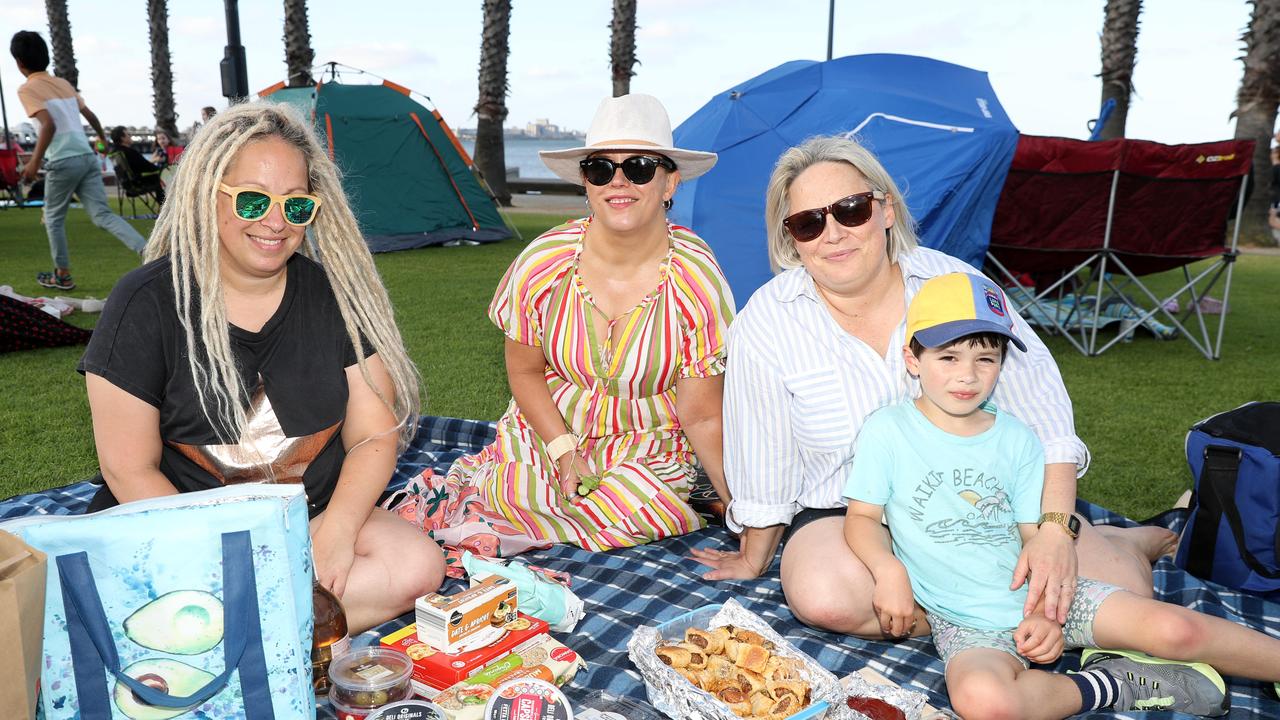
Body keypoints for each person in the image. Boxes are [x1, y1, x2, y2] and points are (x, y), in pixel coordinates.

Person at [694, 135, 1175, 639]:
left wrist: (1055, 528)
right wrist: (753, 557)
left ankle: (1126, 544)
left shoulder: (956, 285)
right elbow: (765, 455)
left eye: (851, 210)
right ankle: (991, 621)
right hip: (851, 513)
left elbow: (1045, 416)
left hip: (980, 496)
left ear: (886, 210)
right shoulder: (767, 321)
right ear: (792, 238)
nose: (832, 234)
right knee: (825, 598)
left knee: (1123, 585)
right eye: (809, 222)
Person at [842, 272, 1280, 719]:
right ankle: (1111, 683)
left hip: (1047, 594)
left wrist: (1047, 613)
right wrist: (888, 569)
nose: (968, 375)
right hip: (966, 624)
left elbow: (1037, 536)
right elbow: (861, 518)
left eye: (986, 358)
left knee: (1176, 630)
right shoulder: (888, 431)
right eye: (948, 357)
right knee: (985, 702)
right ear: (912, 359)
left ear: (1002, 362)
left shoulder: (1017, 439)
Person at [78, 102, 444, 632]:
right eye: (253, 200)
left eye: (296, 206)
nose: (276, 222)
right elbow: (128, 469)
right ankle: (283, 625)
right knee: (129, 586)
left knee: (416, 567)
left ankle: (227, 633)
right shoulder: (146, 302)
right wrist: (225, 560)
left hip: (307, 519)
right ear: (208, 196)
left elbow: (373, 436)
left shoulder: (336, 297)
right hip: (181, 523)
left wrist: (337, 530)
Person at [407, 93, 733, 556]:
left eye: (639, 166)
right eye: (601, 168)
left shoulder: (695, 279)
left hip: (647, 445)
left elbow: (701, 413)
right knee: (513, 491)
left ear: (669, 182)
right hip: (552, 428)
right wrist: (563, 450)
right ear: (586, 180)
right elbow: (524, 372)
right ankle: (550, 506)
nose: (618, 181)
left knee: (632, 506)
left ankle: (693, 495)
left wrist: (744, 507)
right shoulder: (545, 261)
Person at [11, 30, 147, 291]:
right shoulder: (63, 84)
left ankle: (62, 275)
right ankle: (149, 250)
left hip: (63, 161)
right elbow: (90, 115)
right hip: (86, 157)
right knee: (102, 215)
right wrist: (101, 138)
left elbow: (48, 125)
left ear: (19, 62)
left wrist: (33, 164)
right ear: (47, 57)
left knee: (52, 218)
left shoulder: (27, 89)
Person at [109, 125, 165, 203]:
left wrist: (152, 160)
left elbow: (140, 165)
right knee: (162, 176)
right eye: (128, 134)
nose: (130, 136)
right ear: (122, 138)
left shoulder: (116, 152)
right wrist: (157, 161)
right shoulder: (129, 152)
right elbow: (149, 167)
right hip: (139, 184)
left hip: (127, 185)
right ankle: (165, 206)